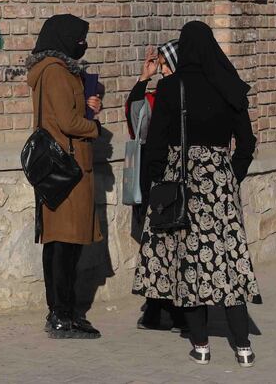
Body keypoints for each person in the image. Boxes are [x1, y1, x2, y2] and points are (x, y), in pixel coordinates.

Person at [132, 21, 260, 367]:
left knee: (188, 261)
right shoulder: (229, 85)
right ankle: (244, 347)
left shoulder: (172, 87)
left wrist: (156, 184)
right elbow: (246, 143)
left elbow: (156, 143)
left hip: (182, 181)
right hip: (219, 185)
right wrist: (230, 175)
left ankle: (201, 345)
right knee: (228, 259)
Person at [25, 14, 103, 339]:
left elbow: (65, 114)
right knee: (64, 246)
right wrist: (93, 125)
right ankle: (61, 315)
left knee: (61, 244)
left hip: (63, 168)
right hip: (67, 170)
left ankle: (63, 313)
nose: (82, 44)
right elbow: (69, 123)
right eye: (79, 38)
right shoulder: (56, 73)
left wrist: (89, 105)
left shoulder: (54, 71)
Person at [124, 40, 186, 333]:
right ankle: (157, 308)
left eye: (163, 64)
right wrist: (143, 80)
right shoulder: (159, 94)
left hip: (175, 181)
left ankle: (173, 310)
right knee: (158, 246)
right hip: (157, 180)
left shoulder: (182, 95)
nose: (160, 69)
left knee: (171, 246)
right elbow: (137, 122)